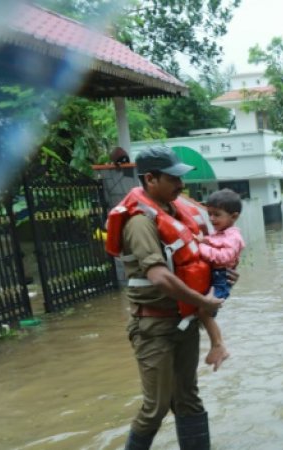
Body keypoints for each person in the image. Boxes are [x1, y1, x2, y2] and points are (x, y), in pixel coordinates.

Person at [104, 146, 229, 450]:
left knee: (188, 399)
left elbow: (192, 259)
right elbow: (159, 277)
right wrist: (203, 303)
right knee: (155, 408)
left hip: (183, 322)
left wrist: (218, 275)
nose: (181, 185)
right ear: (150, 179)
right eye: (173, 179)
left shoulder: (174, 212)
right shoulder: (139, 222)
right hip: (153, 327)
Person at [196, 189, 245, 302]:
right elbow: (214, 241)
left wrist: (201, 247)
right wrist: (205, 240)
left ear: (234, 217)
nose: (211, 218)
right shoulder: (220, 233)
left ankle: (207, 319)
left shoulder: (234, 237)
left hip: (222, 278)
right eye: (210, 214)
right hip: (216, 275)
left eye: (217, 215)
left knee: (209, 308)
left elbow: (224, 257)